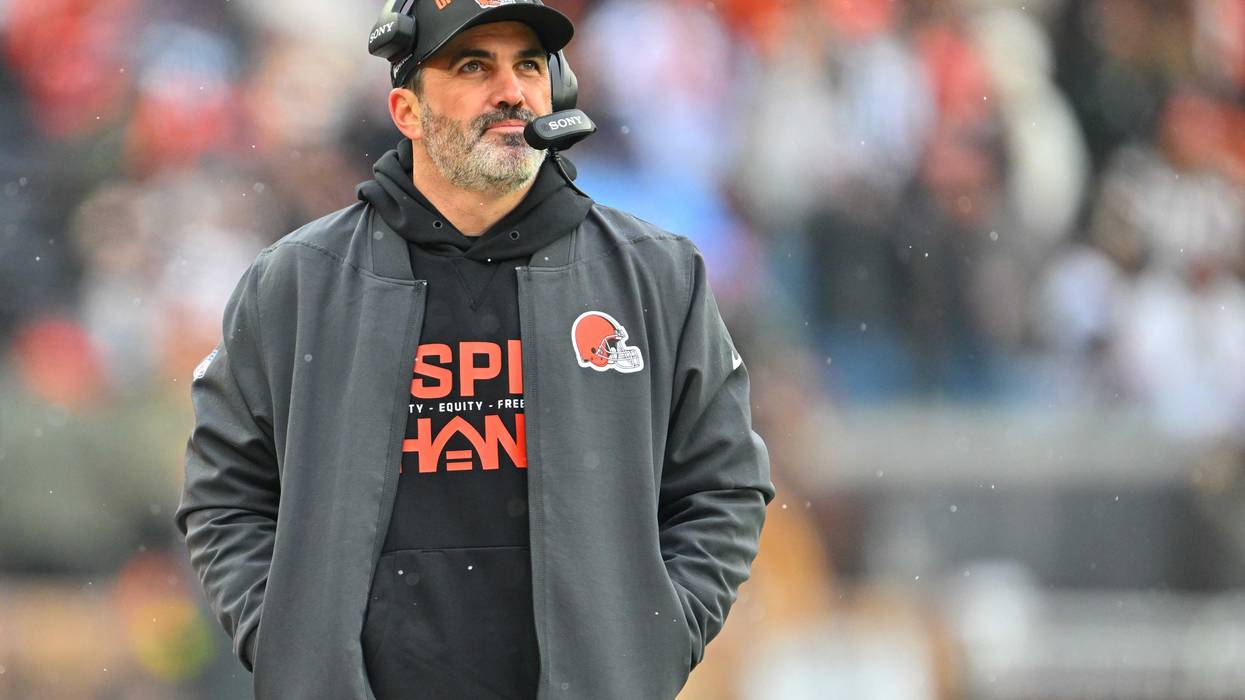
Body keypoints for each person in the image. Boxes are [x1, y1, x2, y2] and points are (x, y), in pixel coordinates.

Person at [175, 1, 774, 698]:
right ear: (406, 110)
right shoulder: (295, 285)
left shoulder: (656, 275)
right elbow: (224, 496)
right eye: (472, 65)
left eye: (527, 64)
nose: (511, 90)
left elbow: (722, 487)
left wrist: (650, 646)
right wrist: (291, 648)